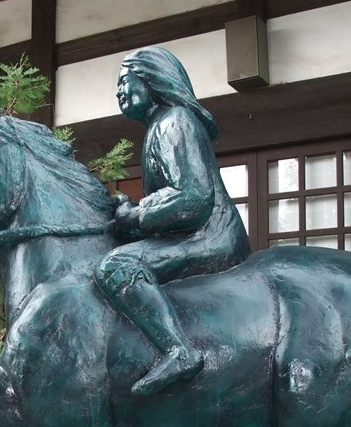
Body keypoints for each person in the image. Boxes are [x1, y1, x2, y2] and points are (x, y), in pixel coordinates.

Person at [96, 46, 251, 396]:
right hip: (192, 232)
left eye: (125, 81)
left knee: (116, 266)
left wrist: (135, 216)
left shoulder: (174, 122)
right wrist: (131, 213)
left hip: (210, 235)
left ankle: (179, 350)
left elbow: (193, 199)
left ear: (151, 80)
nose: (119, 91)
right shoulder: (161, 125)